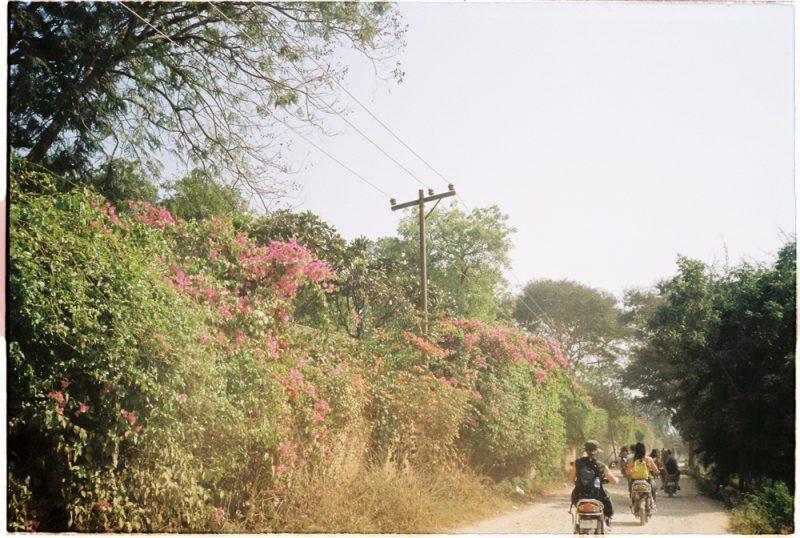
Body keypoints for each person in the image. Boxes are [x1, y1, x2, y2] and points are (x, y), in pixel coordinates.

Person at [569, 440, 619, 528]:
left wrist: (578, 483)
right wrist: (617, 479)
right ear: (597, 452)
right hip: (597, 497)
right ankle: (607, 521)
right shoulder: (601, 466)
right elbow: (613, 481)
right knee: (607, 500)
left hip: (579, 496)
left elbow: (571, 479)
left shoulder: (577, 463)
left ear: (585, 450)